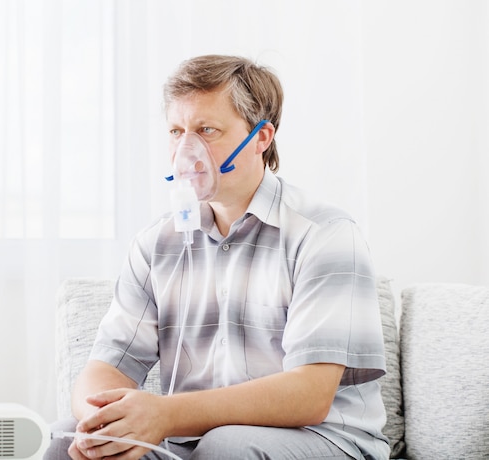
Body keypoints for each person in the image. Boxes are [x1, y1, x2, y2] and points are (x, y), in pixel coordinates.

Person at [45, 54, 389, 460]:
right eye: (177, 131)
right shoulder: (157, 243)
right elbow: (109, 365)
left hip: (323, 437)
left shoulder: (324, 235)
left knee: (227, 447)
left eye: (207, 130)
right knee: (68, 441)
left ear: (261, 138)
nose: (187, 149)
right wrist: (101, 423)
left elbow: (309, 395)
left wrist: (166, 414)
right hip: (189, 439)